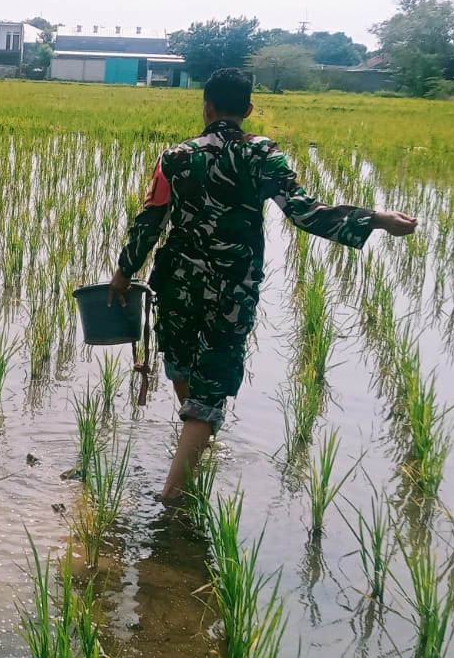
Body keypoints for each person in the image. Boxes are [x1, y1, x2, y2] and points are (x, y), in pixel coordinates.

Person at [109, 67, 418, 500]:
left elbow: (150, 219)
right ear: (249, 110)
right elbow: (304, 212)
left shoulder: (174, 157)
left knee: (181, 365)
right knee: (212, 380)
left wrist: (123, 274)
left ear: (207, 105)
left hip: (177, 282)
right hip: (232, 288)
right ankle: (174, 494)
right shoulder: (262, 155)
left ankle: (193, 443)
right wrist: (376, 220)